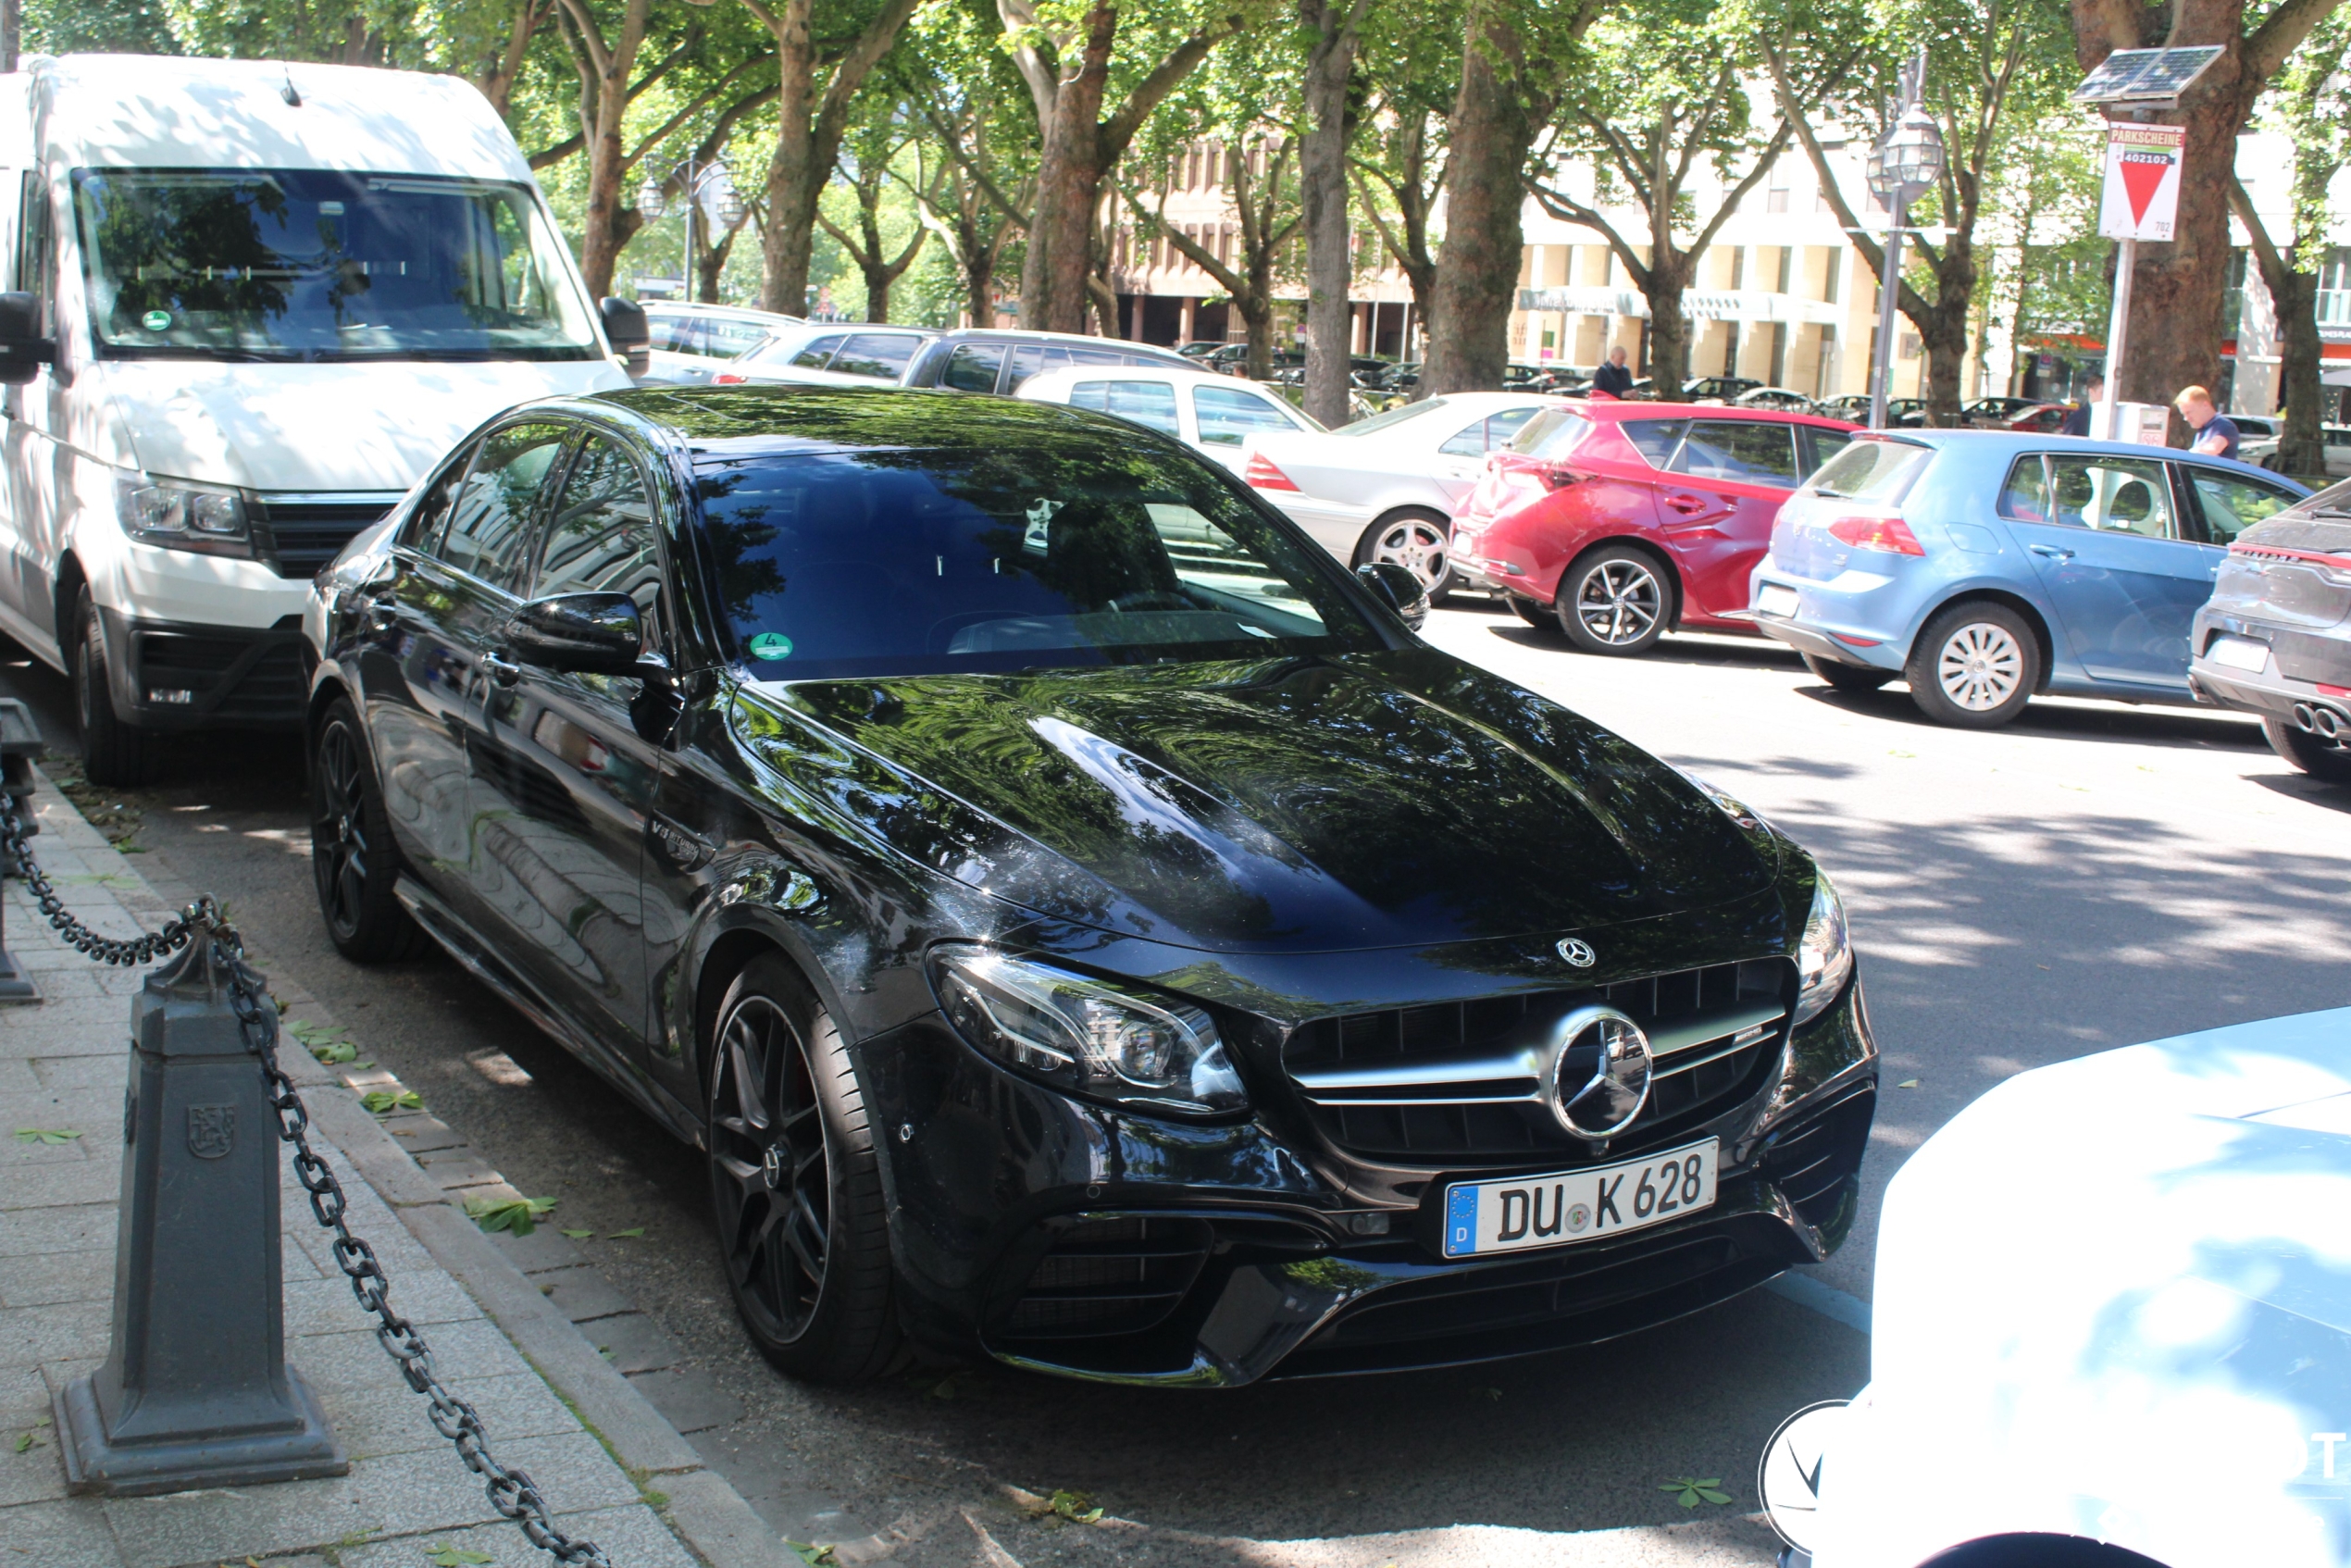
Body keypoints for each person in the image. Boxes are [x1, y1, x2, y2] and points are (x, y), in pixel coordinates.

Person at [2175, 384, 2241, 459]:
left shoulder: (2224, 425)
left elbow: (2213, 449)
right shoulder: (2203, 429)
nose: (2186, 418)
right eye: (2183, 414)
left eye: (2189, 412)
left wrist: (2186, 455)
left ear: (2205, 405)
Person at [2059, 373, 2103, 437]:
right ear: (2091, 392)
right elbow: (2067, 444)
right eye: (2102, 393)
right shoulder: (2076, 419)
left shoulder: (2111, 419)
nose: (2107, 397)